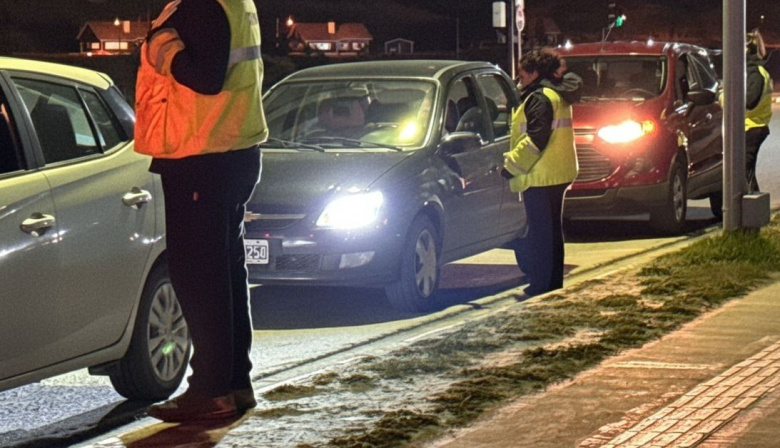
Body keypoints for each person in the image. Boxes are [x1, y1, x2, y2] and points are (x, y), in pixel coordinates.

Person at [134, 0, 268, 422]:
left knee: (199, 277)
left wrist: (164, 50)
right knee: (224, 273)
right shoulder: (233, 3)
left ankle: (211, 391)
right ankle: (234, 384)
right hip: (229, 150)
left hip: (201, 154)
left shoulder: (202, 5)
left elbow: (205, 78)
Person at [503, 50, 580, 297]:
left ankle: (541, 285)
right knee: (552, 232)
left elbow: (536, 139)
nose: (520, 79)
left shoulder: (539, 98)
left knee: (540, 234)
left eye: (523, 74)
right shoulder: (557, 94)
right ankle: (552, 281)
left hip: (540, 174)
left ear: (535, 73)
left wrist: (511, 166)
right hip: (557, 173)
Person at [745, 29, 773, 193]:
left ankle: (752, 210)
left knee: (742, 171)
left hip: (752, 127)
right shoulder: (758, 70)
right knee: (745, 171)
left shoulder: (754, 73)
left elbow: (750, 101)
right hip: (754, 125)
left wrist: (723, 96)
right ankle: (752, 211)